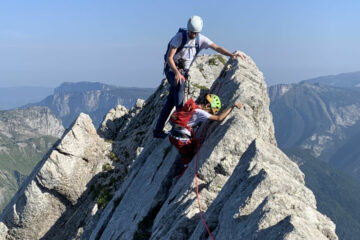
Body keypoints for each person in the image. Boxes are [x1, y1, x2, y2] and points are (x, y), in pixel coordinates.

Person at [153, 15, 245, 138]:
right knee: (180, 84)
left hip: (183, 71)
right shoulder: (179, 38)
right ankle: (181, 119)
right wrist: (176, 73)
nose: (194, 35)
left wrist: (231, 55)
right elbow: (169, 58)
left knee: (170, 102)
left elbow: (216, 47)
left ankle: (158, 131)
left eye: (196, 33)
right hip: (171, 69)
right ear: (188, 29)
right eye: (192, 32)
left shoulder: (201, 39)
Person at [168, 94, 243, 177]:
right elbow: (219, 118)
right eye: (210, 111)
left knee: (187, 152)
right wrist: (232, 106)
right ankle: (182, 176)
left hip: (174, 134)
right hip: (181, 140)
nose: (210, 113)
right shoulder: (201, 112)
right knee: (188, 158)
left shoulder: (195, 107)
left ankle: (181, 171)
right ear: (207, 105)